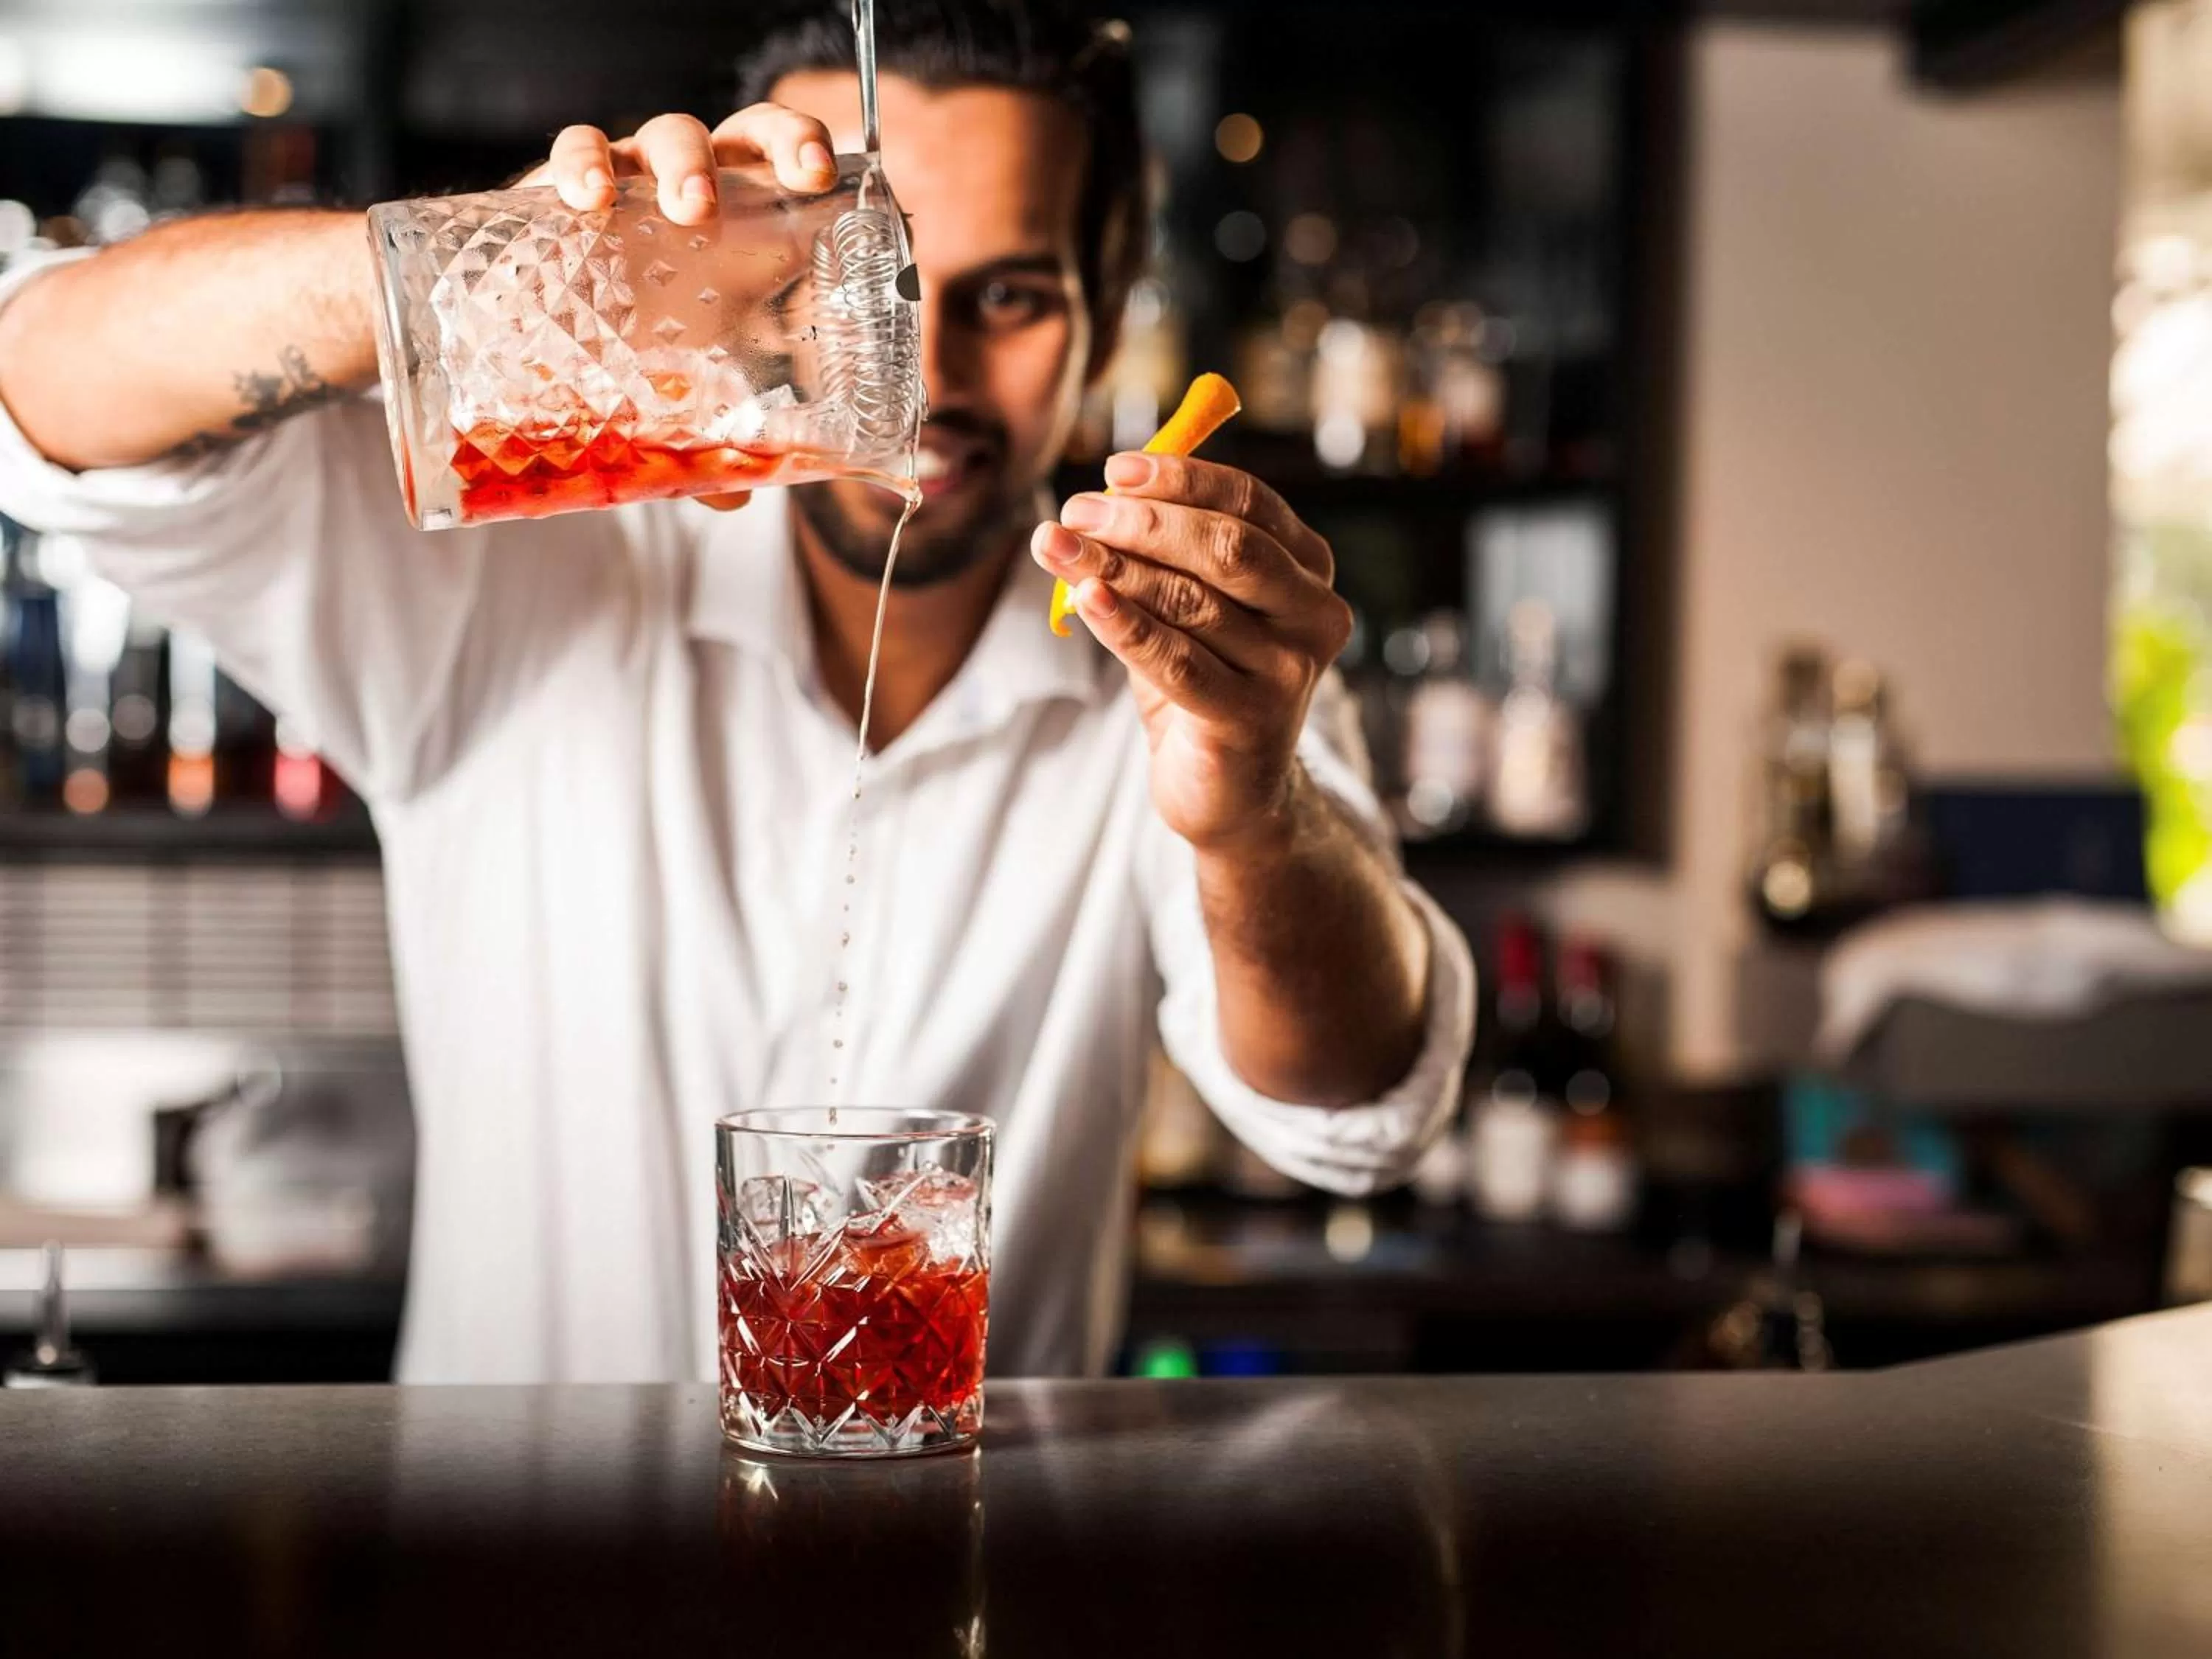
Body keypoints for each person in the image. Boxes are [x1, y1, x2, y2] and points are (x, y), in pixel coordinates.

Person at [0, 0, 1474, 1382]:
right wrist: (476, 266)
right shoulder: (521, 572)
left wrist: (1253, 815)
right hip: (527, 1587)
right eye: (858, 273)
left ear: (1099, 328)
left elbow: (1354, 1116)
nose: (924, 371)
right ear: (740, 265)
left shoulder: (1186, 665)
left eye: (1012, 295)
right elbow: (42, 397)